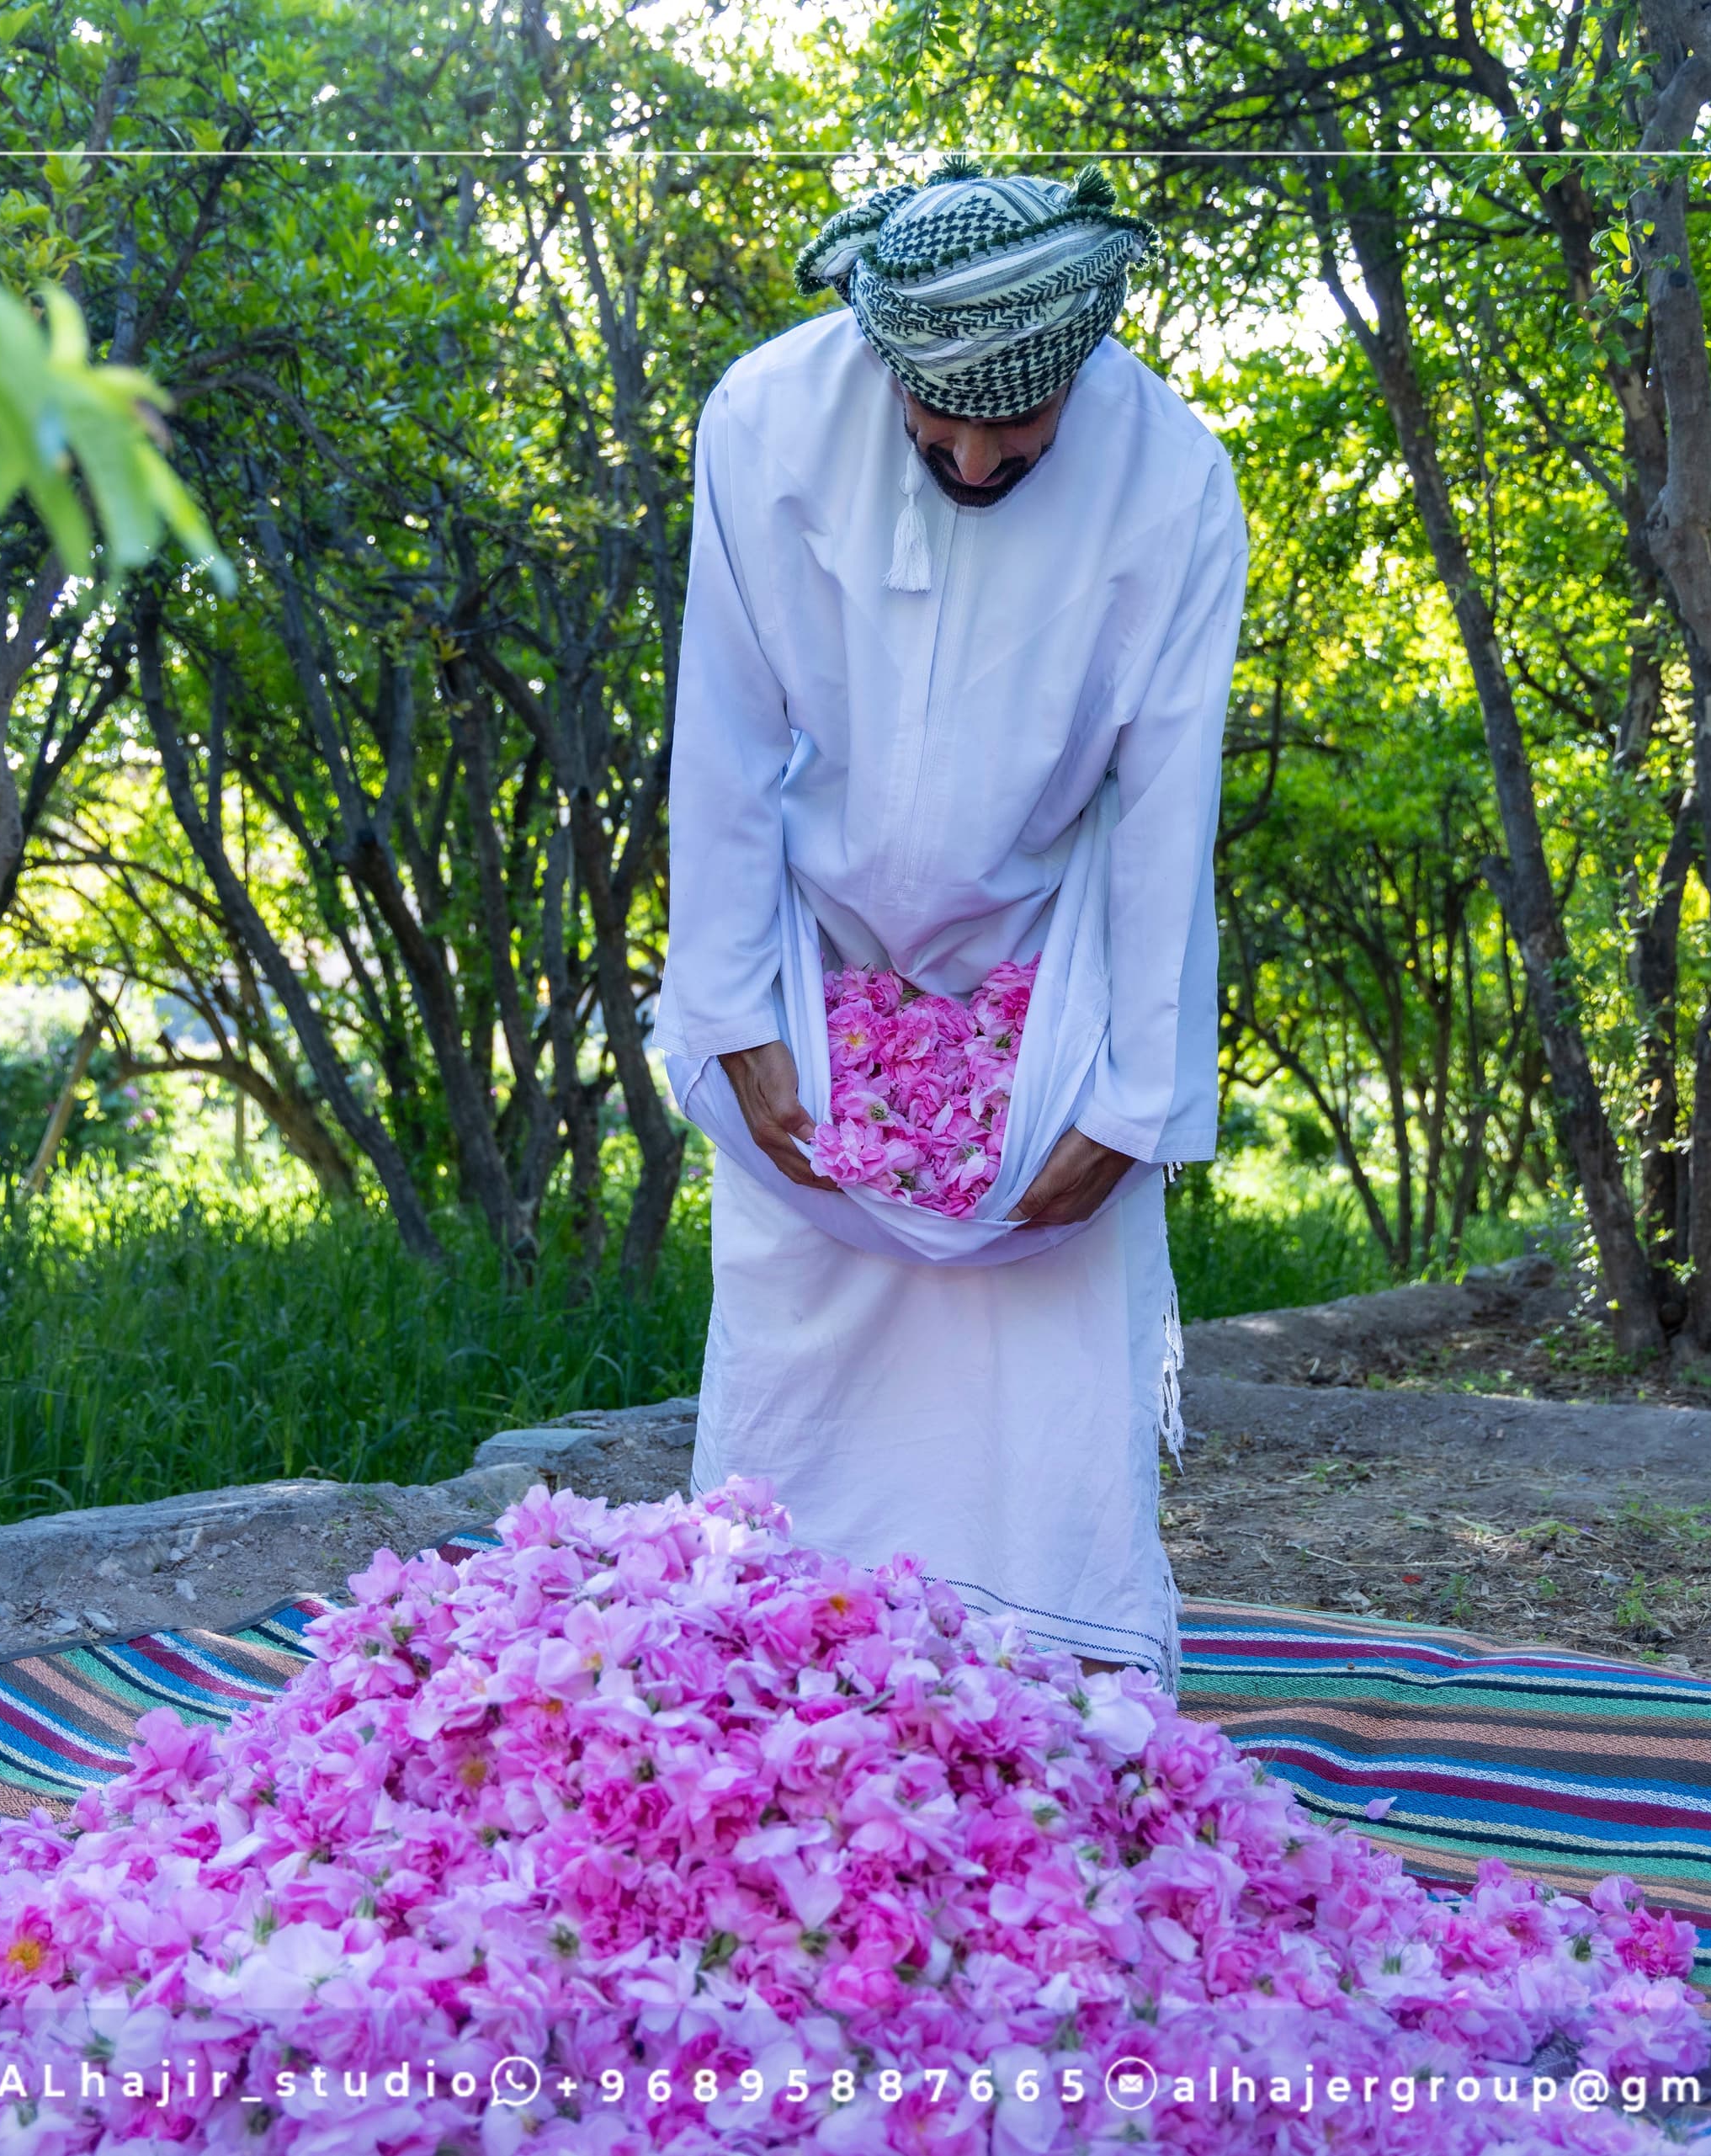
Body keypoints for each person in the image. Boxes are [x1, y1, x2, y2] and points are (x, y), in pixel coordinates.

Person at [658, 162, 1246, 1685]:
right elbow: (721, 738)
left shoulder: (1175, 482)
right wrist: (735, 1016)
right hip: (816, 955)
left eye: (1022, 429)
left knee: (1047, 1376)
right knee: (799, 1356)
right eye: (943, 421)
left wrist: (1130, 1093)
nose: (978, 459)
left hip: (1046, 979)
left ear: (1086, 370)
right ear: (881, 351)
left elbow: (1166, 807)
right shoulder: (767, 423)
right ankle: (779, 1689)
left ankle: (1053, 1692)